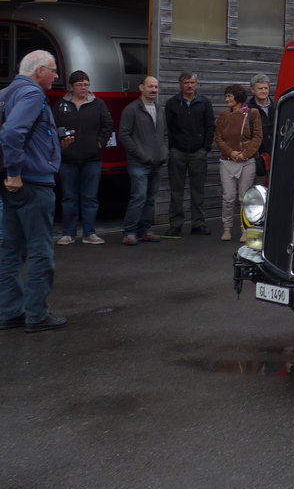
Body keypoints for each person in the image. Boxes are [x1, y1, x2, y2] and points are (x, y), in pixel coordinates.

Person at [0, 50, 68, 331]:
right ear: (39, 70)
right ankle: (37, 315)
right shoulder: (33, 94)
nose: (56, 75)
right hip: (32, 182)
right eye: (53, 70)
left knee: (11, 250)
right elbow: (13, 132)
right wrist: (15, 172)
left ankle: (9, 312)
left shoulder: (6, 93)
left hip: (12, 183)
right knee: (40, 250)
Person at [53, 70, 114, 245]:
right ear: (71, 87)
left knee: (90, 197)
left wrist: (100, 142)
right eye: (79, 85)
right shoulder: (60, 105)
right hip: (68, 159)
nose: (83, 88)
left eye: (86, 84)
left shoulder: (98, 104)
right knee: (69, 198)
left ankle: (89, 233)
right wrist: (60, 143)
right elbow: (52, 126)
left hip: (92, 159)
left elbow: (107, 125)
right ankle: (68, 233)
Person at [118, 75, 168, 245]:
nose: (153, 90)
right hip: (138, 163)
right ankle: (130, 232)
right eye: (150, 86)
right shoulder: (131, 109)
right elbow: (124, 135)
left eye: (156, 87)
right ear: (141, 88)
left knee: (150, 199)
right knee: (138, 197)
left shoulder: (160, 109)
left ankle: (144, 230)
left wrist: (163, 152)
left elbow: (164, 134)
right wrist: (139, 154)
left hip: (156, 162)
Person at [165, 72, 214, 236]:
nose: (189, 86)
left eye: (192, 82)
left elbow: (210, 127)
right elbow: (168, 128)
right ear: (180, 84)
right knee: (176, 191)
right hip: (178, 152)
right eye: (186, 83)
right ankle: (176, 224)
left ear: (196, 84)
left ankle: (198, 223)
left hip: (198, 153)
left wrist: (205, 149)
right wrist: (172, 148)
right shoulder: (172, 103)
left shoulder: (204, 103)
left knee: (198, 190)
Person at [215, 85, 262, 242]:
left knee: (245, 198)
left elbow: (257, 137)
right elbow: (218, 138)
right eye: (226, 96)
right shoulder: (223, 115)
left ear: (238, 97)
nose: (227, 99)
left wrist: (245, 154)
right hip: (227, 161)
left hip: (247, 161)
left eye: (229, 96)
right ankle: (227, 228)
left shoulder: (253, 113)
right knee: (228, 197)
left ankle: (245, 229)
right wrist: (231, 153)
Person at [248, 73, 274, 185]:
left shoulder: (278, 105)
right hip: (257, 158)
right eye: (260, 88)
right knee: (258, 190)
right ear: (253, 90)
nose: (264, 91)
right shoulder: (247, 109)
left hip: (276, 156)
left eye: (266, 88)